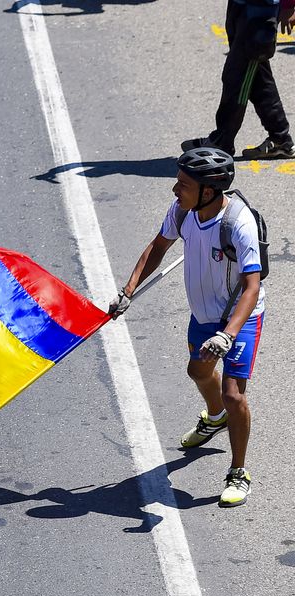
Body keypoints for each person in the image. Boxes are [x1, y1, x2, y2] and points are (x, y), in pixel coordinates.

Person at [109, 147, 264, 507]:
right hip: (203, 316)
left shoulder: (238, 223)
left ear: (208, 191)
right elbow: (158, 246)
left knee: (234, 393)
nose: (175, 190)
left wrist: (227, 334)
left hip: (238, 318)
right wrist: (127, 290)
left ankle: (238, 471)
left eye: (183, 184)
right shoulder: (183, 212)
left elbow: (252, 286)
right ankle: (216, 418)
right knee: (197, 370)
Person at [182, 0, 295, 159]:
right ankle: (280, 140)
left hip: (260, 10)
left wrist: (289, 5)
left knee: (237, 78)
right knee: (257, 76)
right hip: (240, 6)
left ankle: (222, 141)